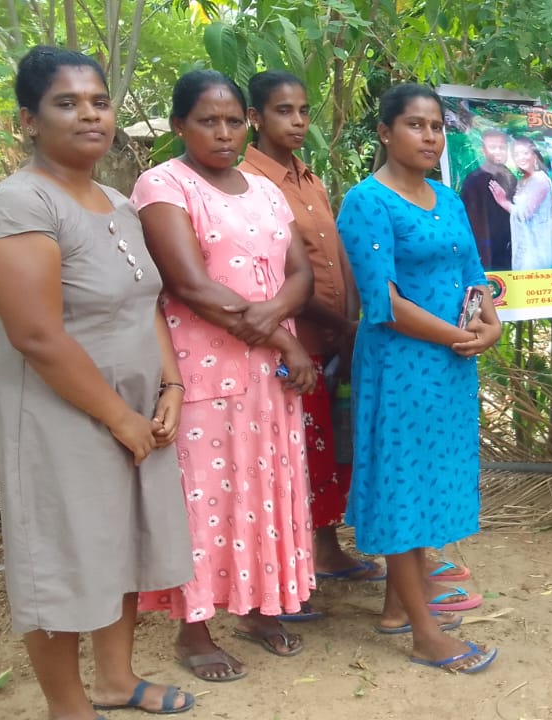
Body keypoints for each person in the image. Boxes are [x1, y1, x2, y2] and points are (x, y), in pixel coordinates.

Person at [0, 45, 195, 717]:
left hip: (136, 409)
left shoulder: (116, 201)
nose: (89, 114)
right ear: (28, 120)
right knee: (62, 556)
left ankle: (115, 680)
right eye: (67, 103)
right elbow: (36, 335)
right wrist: (118, 417)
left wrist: (170, 388)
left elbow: (146, 305)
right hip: (61, 415)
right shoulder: (20, 202)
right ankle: (68, 704)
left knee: (123, 545)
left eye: (98, 101)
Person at [133, 69, 319, 682]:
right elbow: (190, 285)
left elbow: (299, 272)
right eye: (207, 121)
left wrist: (273, 318)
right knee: (205, 499)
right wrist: (283, 339)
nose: (223, 133)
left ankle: (260, 608)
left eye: (234, 121)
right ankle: (194, 631)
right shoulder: (163, 185)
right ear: (178, 125)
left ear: (248, 124)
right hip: (203, 373)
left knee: (265, 488)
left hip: (270, 377)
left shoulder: (263, 189)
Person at [336, 82, 501, 673]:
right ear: (385, 132)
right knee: (402, 487)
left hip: (450, 369)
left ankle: (396, 608)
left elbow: (474, 273)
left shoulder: (448, 198)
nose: (430, 136)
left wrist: (490, 324)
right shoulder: (366, 202)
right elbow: (383, 302)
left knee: (428, 480)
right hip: (401, 367)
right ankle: (426, 635)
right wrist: (457, 336)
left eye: (436, 126)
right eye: (415, 124)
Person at [239, 70, 387, 602]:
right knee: (291, 452)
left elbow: (336, 258)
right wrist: (339, 324)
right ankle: (286, 568)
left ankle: (324, 550)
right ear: (255, 118)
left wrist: (352, 322)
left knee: (325, 448)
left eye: (303, 110)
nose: (298, 121)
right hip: (292, 338)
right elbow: (284, 274)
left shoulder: (310, 179)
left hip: (335, 337)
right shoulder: (248, 184)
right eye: (284, 111)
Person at [489, 136, 552, 270]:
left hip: (536, 249)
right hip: (524, 243)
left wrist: (503, 201)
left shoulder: (540, 180)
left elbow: (525, 214)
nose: (521, 158)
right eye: (516, 154)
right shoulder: (523, 180)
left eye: (525, 153)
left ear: (534, 156)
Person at [461, 128, 516, 269]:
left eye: (501, 147)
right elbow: (469, 221)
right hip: (485, 256)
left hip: (511, 253)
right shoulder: (473, 180)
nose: (498, 151)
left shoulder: (509, 177)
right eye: (493, 147)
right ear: (483, 151)